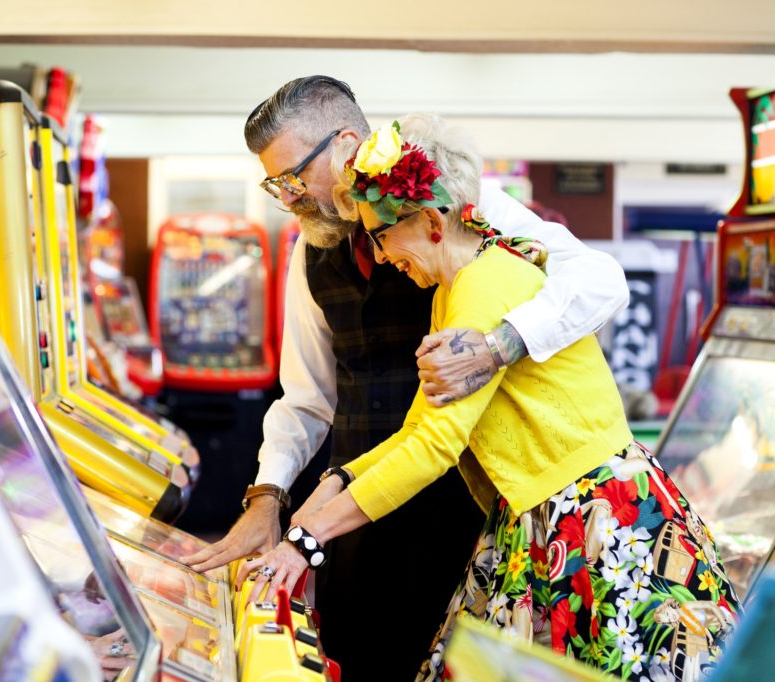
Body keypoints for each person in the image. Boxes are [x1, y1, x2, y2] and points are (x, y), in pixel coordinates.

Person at [237, 113, 739, 681]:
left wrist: (304, 541)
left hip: (591, 515)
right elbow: (416, 430)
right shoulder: (448, 293)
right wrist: (330, 487)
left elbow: (433, 447)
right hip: (534, 512)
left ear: (431, 220)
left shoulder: (483, 282)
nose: (378, 257)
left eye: (381, 236)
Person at [183, 76, 629, 681]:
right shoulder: (314, 252)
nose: (287, 200)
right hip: (364, 509)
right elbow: (309, 399)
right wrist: (277, 497)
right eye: (275, 186)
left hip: (483, 508)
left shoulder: (470, 223)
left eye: (293, 179)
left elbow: (601, 280)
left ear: (345, 145)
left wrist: (498, 345)